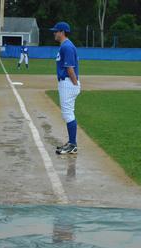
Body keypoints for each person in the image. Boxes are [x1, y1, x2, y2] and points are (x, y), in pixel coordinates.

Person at [50, 22, 81, 155]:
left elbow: (69, 68)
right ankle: (71, 142)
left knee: (68, 114)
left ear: (62, 32)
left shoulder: (67, 47)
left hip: (68, 83)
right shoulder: (65, 46)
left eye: (56, 31)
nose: (54, 33)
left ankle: (73, 145)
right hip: (67, 83)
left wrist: (74, 83)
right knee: (67, 114)